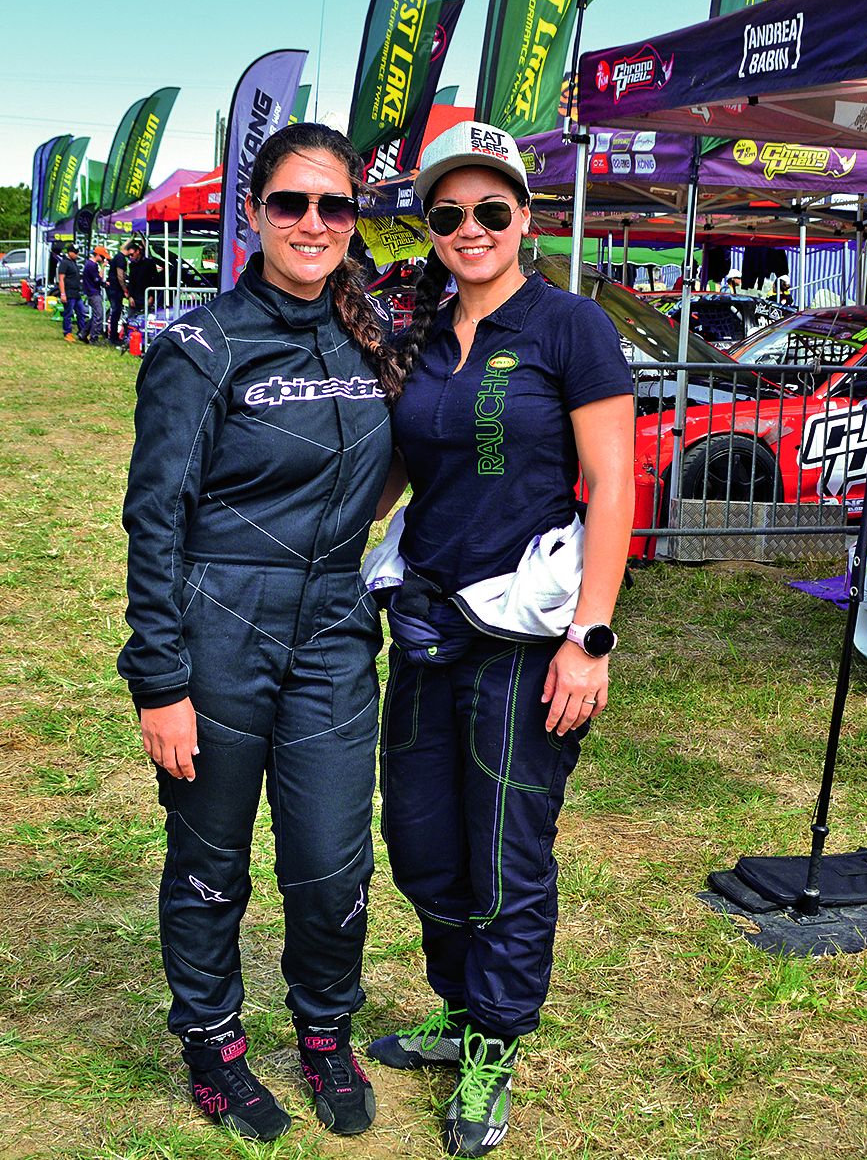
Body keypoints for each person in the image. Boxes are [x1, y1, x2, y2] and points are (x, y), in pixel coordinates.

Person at [118, 123, 405, 1143]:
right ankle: (212, 1047)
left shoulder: (373, 335)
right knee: (211, 862)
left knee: (332, 860)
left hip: (332, 630)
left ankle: (324, 1030)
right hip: (218, 632)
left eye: (334, 205)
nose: (312, 223)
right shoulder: (199, 347)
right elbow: (154, 519)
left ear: (353, 218)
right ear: (253, 213)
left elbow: (407, 458)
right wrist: (160, 680)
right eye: (291, 202)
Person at [368, 122, 634, 1157]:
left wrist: (590, 635)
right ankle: (456, 1007)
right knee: (420, 843)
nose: (468, 228)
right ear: (430, 227)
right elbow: (399, 472)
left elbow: (612, 481)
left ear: (524, 216)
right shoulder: (424, 336)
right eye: (447, 213)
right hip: (427, 622)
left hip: (525, 638)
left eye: (489, 209)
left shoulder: (569, 325)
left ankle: (495, 1040)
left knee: (504, 852)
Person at [55, 243, 86, 342]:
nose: (77, 255)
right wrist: (63, 294)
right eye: (75, 253)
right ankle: (67, 333)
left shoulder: (74, 262)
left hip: (76, 293)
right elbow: (61, 279)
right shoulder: (64, 263)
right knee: (68, 314)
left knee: (81, 312)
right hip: (68, 293)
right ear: (70, 252)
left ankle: (82, 332)